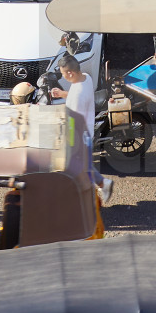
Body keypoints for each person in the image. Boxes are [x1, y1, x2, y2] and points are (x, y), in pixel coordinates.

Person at [51, 51, 113, 202]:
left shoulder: (77, 97)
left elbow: (74, 123)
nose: (63, 77)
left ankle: (87, 195)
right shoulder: (86, 77)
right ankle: (103, 184)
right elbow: (74, 93)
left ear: (70, 73)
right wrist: (62, 94)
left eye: (63, 74)